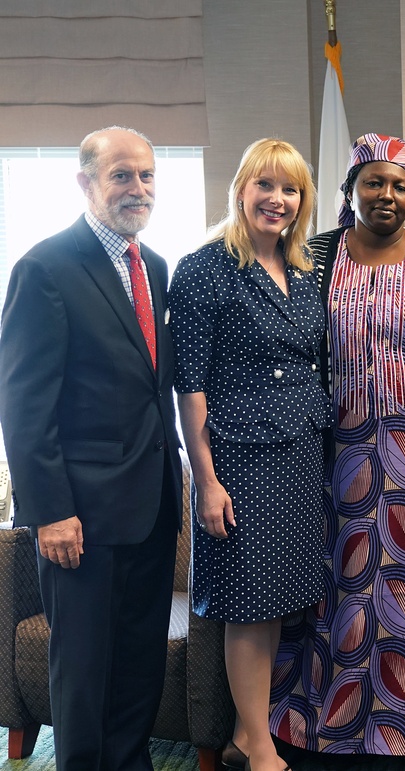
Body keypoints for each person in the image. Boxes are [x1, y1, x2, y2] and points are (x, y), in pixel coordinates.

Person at [268, 133, 405, 765]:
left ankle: (402, 729)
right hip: (325, 450)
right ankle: (319, 727)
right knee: (330, 584)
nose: (386, 195)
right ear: (349, 189)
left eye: (400, 185)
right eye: (373, 181)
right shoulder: (312, 256)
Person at [0, 126, 183, 771]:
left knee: (137, 664)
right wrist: (49, 511)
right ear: (86, 183)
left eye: (148, 175)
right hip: (79, 517)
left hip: (153, 507)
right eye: (122, 175)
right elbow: (24, 407)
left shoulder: (155, 267)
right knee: (82, 672)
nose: (139, 188)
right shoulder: (44, 268)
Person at [169, 138, 331, 771]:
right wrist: (206, 483)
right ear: (240, 190)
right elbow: (191, 385)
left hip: (299, 457)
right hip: (237, 463)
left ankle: (245, 729)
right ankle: (259, 749)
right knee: (246, 602)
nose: (277, 199)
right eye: (265, 185)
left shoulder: (305, 270)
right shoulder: (204, 268)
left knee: (275, 602)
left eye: (290, 189)